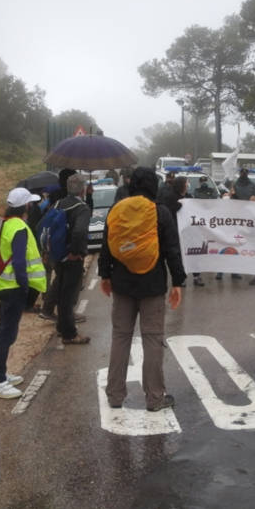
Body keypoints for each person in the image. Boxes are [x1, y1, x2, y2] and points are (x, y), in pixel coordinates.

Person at [99, 167, 186, 412]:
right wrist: (178, 281)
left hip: (122, 285)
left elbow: (107, 246)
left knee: (120, 337)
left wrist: (105, 275)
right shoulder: (161, 213)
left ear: (131, 184)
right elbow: (172, 250)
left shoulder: (116, 211)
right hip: (153, 285)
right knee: (152, 340)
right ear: (153, 186)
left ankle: (115, 395)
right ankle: (155, 398)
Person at [0, 187, 47, 398]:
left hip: (5, 287)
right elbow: (20, 261)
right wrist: (25, 288)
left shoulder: (7, 223)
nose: (32, 207)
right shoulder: (20, 228)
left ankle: (1, 374)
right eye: (30, 204)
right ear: (26, 206)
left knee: (4, 332)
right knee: (7, 334)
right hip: (14, 288)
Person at [40, 174, 92, 344]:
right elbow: (79, 232)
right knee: (68, 297)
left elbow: (44, 226)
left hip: (58, 256)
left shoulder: (59, 203)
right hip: (71, 257)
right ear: (83, 188)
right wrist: (76, 252)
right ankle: (70, 334)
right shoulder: (81, 208)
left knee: (62, 293)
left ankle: (62, 328)